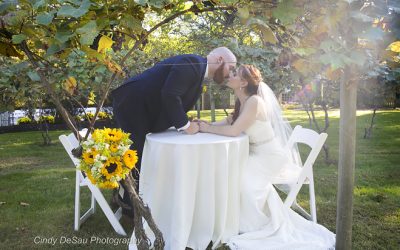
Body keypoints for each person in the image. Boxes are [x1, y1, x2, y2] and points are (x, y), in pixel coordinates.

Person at [198, 65, 335, 249]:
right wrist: (204, 124)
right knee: (231, 174)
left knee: (244, 184)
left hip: (269, 156)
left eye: (234, 74)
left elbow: (233, 131)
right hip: (256, 153)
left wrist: (207, 129)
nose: (229, 75)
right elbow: (228, 122)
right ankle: (232, 220)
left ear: (244, 82)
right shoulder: (242, 101)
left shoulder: (254, 101)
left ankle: (253, 226)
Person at [111, 47, 237, 217]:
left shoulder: (197, 70)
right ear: (220, 59)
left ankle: (125, 201)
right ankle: (130, 208)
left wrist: (186, 120)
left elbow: (172, 97)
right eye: (231, 67)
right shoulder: (192, 63)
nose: (230, 73)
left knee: (136, 156)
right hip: (132, 104)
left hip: (140, 108)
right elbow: (170, 95)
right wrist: (185, 126)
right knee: (135, 156)